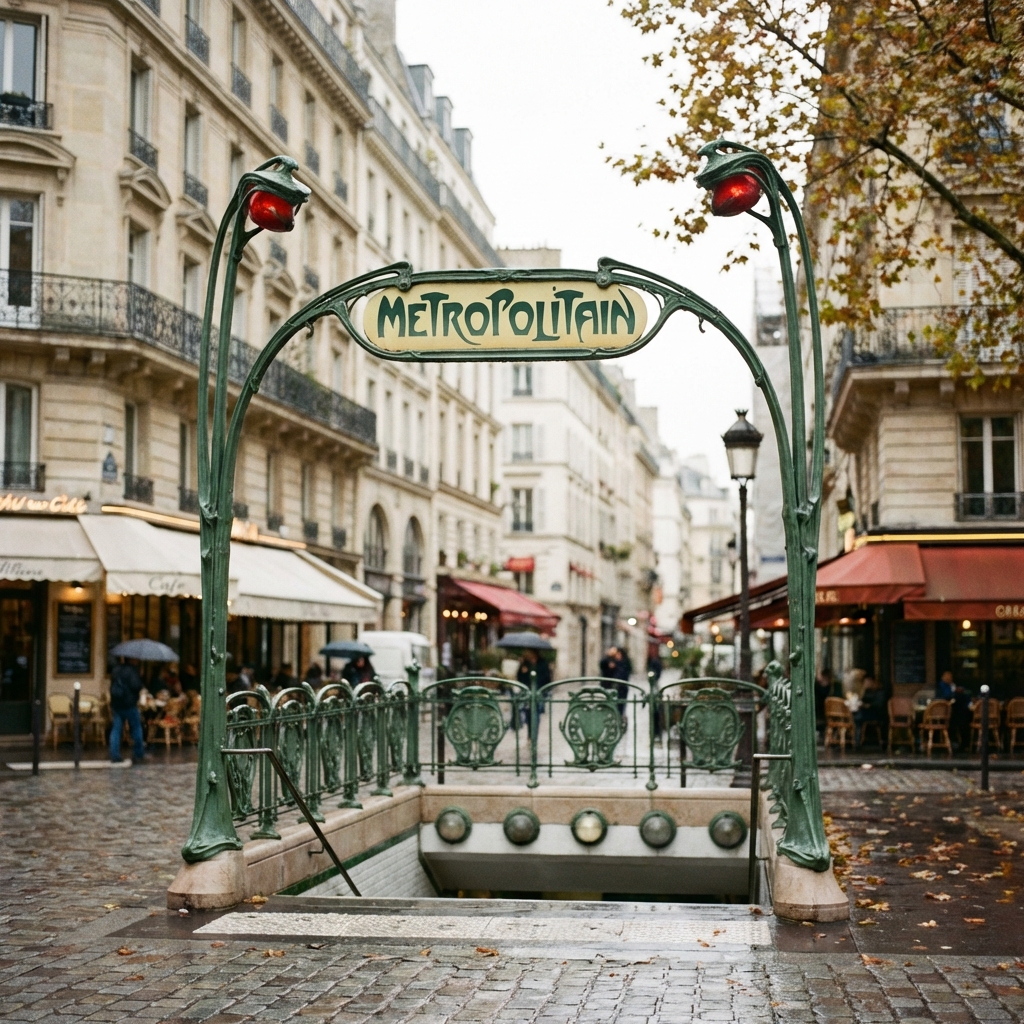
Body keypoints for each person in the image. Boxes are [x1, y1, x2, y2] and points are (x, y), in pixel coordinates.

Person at [109, 658, 145, 764]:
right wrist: (140, 677)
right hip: (129, 704)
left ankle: (114, 754)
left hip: (117, 704)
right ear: (133, 660)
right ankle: (138, 753)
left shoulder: (116, 670)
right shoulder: (133, 671)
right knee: (136, 728)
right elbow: (136, 686)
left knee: (116, 730)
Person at [854, 675, 887, 747]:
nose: (865, 684)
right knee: (857, 716)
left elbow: (879, 704)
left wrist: (868, 705)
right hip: (867, 713)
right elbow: (862, 700)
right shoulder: (867, 691)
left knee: (858, 717)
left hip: (877, 714)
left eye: (867, 682)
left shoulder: (880, 691)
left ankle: (857, 741)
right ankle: (856, 740)